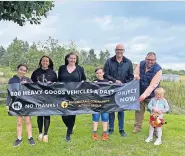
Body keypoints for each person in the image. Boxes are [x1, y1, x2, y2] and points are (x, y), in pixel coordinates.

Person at [104, 43, 134, 137]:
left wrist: (123, 83)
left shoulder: (128, 62)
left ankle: (121, 129)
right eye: (118, 50)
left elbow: (131, 76)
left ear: (123, 51)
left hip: (123, 89)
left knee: (121, 110)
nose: (119, 51)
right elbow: (105, 74)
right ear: (115, 50)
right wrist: (115, 81)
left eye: (121, 50)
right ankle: (111, 128)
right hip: (112, 89)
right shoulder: (109, 61)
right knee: (111, 109)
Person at [58, 52, 86, 142]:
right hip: (63, 95)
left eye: (74, 58)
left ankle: (68, 134)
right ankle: (69, 126)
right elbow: (59, 80)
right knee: (64, 114)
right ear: (67, 59)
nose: (73, 60)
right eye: (71, 58)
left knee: (72, 114)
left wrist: (82, 84)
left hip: (75, 95)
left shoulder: (80, 69)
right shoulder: (62, 68)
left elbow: (84, 79)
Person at [6, 64, 35, 147]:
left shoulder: (28, 80)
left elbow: (34, 91)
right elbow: (9, 93)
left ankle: (30, 138)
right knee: (19, 122)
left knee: (28, 121)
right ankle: (19, 139)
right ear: (17, 69)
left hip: (26, 103)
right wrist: (7, 104)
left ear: (26, 72)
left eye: (24, 70)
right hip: (16, 104)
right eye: (21, 69)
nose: (22, 71)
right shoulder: (11, 80)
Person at [133, 52, 162, 134]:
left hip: (152, 95)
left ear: (155, 60)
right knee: (138, 111)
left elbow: (152, 86)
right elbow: (136, 72)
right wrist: (136, 76)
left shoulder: (158, 70)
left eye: (152, 60)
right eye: (148, 59)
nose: (150, 61)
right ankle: (137, 127)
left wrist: (144, 95)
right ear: (145, 59)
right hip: (140, 91)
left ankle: (156, 130)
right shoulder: (141, 63)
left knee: (155, 113)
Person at [31, 56, 57, 143]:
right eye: (43, 61)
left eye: (47, 61)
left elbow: (56, 86)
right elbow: (31, 84)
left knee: (46, 115)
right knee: (39, 115)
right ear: (41, 62)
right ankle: (40, 133)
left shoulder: (53, 73)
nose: (45, 62)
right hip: (38, 97)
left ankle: (46, 134)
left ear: (49, 63)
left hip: (48, 97)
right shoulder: (36, 72)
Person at [92, 67, 111, 141]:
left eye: (100, 73)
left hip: (105, 104)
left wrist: (111, 84)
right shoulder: (93, 82)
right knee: (95, 118)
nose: (99, 74)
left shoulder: (107, 82)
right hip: (96, 104)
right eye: (97, 73)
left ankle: (105, 133)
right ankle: (94, 133)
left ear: (103, 73)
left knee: (105, 118)